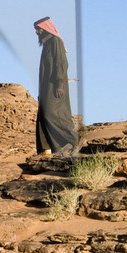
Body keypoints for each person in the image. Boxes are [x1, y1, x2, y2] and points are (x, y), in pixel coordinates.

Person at [33, 17, 76, 154]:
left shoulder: (55, 41)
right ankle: (53, 149)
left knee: (53, 114)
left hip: (56, 87)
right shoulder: (47, 44)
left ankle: (73, 141)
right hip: (47, 88)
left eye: (38, 29)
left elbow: (61, 64)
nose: (37, 32)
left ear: (45, 28)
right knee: (44, 115)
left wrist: (59, 84)